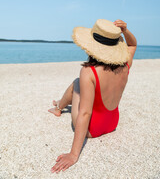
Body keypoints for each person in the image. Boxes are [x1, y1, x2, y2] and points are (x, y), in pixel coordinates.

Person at [48, 19, 137, 173]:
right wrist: (125, 31)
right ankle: (59, 104)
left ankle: (58, 107)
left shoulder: (89, 72)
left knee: (76, 83)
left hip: (92, 129)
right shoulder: (126, 64)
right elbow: (132, 45)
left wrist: (73, 154)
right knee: (83, 88)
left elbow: (85, 112)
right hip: (112, 123)